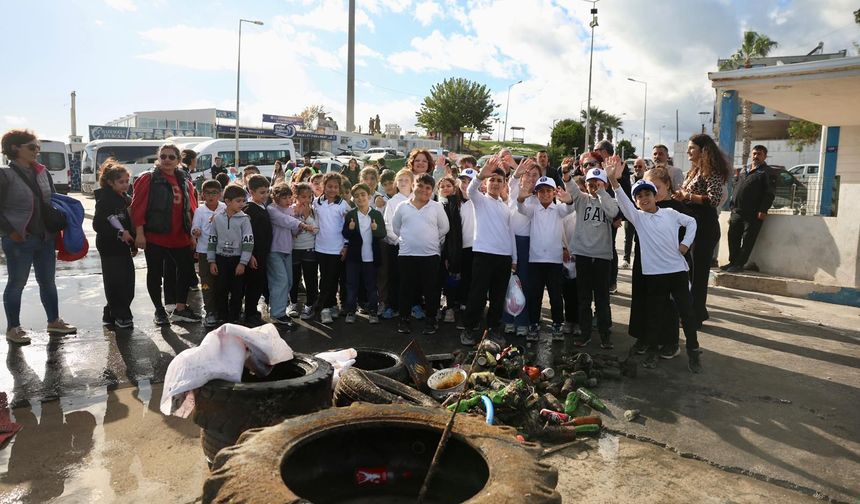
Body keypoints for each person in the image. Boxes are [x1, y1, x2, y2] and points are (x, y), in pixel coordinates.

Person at [606, 156, 702, 373]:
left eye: (648, 193)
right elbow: (622, 200)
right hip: (655, 276)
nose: (644, 198)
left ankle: (694, 352)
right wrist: (613, 181)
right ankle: (651, 353)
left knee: (687, 313)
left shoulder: (670, 213)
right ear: (636, 201)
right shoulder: (638, 218)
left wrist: (685, 244)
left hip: (678, 272)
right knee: (654, 316)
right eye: (639, 196)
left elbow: (692, 222)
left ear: (655, 195)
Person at [1, 129, 78, 344]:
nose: (37, 151)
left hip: (45, 237)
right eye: (32, 147)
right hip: (19, 239)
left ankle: (54, 321)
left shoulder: (42, 172)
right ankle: (13, 328)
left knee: (48, 282)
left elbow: (52, 201)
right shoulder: (4, 174)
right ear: (15, 148)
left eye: (38, 148)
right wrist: (11, 231)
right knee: (17, 284)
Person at [627, 167, 693, 360]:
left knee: (668, 305)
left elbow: (691, 227)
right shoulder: (641, 208)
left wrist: (683, 246)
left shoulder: (675, 209)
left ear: (667, 187)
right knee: (642, 299)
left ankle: (670, 342)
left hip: (669, 264)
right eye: (643, 189)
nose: (648, 193)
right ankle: (644, 338)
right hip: (644, 260)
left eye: (655, 187)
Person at [131, 142, 200, 326]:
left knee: (186, 271)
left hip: (181, 236)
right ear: (158, 158)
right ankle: (159, 310)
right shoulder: (148, 178)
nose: (167, 160)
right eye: (163, 156)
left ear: (178, 160)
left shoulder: (184, 179)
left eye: (171, 157)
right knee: (154, 274)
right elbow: (138, 207)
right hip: (156, 236)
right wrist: (139, 233)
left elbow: (192, 207)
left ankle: (180, 308)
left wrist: (193, 234)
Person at [460, 156, 517, 346]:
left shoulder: (506, 207)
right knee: (477, 294)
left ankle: (493, 329)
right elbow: (470, 190)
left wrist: (514, 258)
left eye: (499, 181)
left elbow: (510, 234)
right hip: (483, 255)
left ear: (503, 184)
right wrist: (479, 175)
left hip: (503, 258)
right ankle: (469, 328)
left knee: (498, 297)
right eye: (492, 180)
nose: (495, 183)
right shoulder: (480, 200)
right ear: (487, 182)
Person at [675, 134, 730, 327]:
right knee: (689, 272)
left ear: (703, 150)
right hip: (692, 225)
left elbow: (713, 199)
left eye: (692, 148)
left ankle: (695, 317)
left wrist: (687, 195)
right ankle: (693, 312)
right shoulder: (694, 170)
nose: (688, 151)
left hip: (704, 226)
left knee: (698, 275)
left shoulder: (711, 171)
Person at [561, 165, 618, 350]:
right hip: (584, 255)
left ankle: (605, 335)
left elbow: (612, 212)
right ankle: (585, 334)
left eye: (598, 183)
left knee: (602, 299)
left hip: (602, 257)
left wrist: (602, 192)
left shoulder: (610, 200)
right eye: (590, 183)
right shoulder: (581, 200)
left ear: (605, 185)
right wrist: (566, 175)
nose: (594, 186)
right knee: (584, 298)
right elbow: (572, 188)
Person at [516, 176, 575, 341]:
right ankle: (533, 325)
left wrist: (568, 199)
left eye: (549, 191)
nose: (545, 194)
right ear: (536, 193)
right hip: (536, 261)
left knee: (556, 296)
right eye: (541, 191)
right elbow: (520, 208)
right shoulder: (533, 209)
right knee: (535, 295)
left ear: (554, 193)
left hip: (555, 261)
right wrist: (521, 197)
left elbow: (571, 208)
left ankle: (557, 325)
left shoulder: (559, 209)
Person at [392, 173, 450, 335]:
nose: (424, 190)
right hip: (406, 254)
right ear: (413, 186)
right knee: (405, 289)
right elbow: (397, 228)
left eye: (428, 188)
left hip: (430, 256)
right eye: (420, 185)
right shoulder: (402, 206)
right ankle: (404, 319)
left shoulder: (437, 207)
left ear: (432, 191)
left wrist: (429, 239)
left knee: (431, 289)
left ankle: (431, 320)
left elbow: (444, 228)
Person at [92, 159, 137, 329]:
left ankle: (111, 312)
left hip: (123, 247)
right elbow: (98, 225)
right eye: (121, 182)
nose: (126, 185)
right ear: (110, 182)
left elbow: (129, 224)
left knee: (127, 283)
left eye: (127, 181)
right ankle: (121, 314)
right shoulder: (105, 200)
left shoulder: (125, 198)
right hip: (109, 247)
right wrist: (119, 233)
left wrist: (132, 244)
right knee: (115, 282)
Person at [504, 158, 541, 337]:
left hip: (528, 245)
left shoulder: (540, 196)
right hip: (508, 242)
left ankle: (522, 321)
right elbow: (512, 181)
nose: (531, 178)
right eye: (528, 174)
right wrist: (517, 172)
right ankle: (508, 319)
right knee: (508, 283)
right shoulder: (514, 190)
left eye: (535, 175)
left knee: (524, 284)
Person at [207, 185, 254, 324]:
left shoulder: (245, 219)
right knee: (220, 289)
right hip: (220, 259)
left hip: (237, 260)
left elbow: (248, 242)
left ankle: (234, 317)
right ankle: (221, 316)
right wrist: (212, 261)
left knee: (237, 291)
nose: (242, 204)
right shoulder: (217, 218)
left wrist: (243, 262)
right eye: (238, 201)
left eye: (243, 201)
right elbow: (212, 239)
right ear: (227, 201)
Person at [724, 144, 774, 273]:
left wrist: (763, 210)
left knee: (747, 240)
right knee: (733, 237)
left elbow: (769, 193)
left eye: (759, 154)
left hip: (753, 213)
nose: (756, 156)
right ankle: (732, 262)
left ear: (765, 156)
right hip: (737, 211)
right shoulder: (743, 170)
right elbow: (736, 188)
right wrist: (732, 206)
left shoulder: (766, 172)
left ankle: (739, 265)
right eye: (754, 153)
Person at [268, 183, 311, 327]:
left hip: (288, 250)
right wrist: (301, 224)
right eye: (284, 198)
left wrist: (300, 224)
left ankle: (276, 307)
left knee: (290, 281)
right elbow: (285, 221)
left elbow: (293, 230)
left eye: (289, 197)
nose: (287, 201)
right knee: (280, 281)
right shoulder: (272, 209)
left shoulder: (290, 211)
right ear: (275, 198)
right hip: (274, 250)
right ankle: (278, 313)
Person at [342, 183, 386, 325]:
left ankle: (373, 311)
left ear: (369, 196)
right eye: (356, 196)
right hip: (354, 258)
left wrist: (375, 229)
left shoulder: (376, 214)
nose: (360, 198)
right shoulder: (351, 215)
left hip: (371, 258)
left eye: (363, 195)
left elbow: (382, 234)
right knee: (351, 285)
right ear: (353, 199)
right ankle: (350, 311)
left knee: (371, 286)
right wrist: (350, 228)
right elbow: (345, 234)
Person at [313, 172, 351, 324]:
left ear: (339, 188)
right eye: (329, 186)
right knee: (324, 278)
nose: (332, 189)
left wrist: (346, 246)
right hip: (321, 247)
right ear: (323, 186)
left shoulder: (343, 205)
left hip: (337, 248)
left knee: (333, 278)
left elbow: (348, 227)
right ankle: (325, 308)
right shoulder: (316, 202)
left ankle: (331, 305)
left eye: (336, 187)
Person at [191, 180, 226, 327]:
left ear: (220, 194)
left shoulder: (224, 207)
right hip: (205, 251)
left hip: (223, 251)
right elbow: (194, 229)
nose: (211, 196)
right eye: (207, 193)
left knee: (222, 281)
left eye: (214, 193)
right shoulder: (200, 211)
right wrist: (196, 232)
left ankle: (223, 310)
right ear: (202, 195)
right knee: (206, 282)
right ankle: (210, 311)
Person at [381, 169, 414, 319]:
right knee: (395, 277)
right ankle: (392, 306)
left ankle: (414, 305)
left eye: (406, 180)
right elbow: (388, 224)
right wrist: (399, 241)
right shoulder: (392, 202)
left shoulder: (418, 199)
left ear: (412, 182)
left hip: (415, 248)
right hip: (396, 247)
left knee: (413, 278)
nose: (403, 183)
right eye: (400, 180)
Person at [242, 174, 273, 326]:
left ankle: (251, 311)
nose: (265, 195)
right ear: (251, 192)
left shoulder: (261, 207)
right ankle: (249, 313)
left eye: (267, 191)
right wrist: (251, 255)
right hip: (254, 255)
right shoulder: (249, 209)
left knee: (258, 283)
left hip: (262, 253)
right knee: (253, 285)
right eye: (262, 192)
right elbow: (247, 234)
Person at [287, 183, 319, 320]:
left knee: (310, 278)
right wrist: (297, 219)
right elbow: (288, 227)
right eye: (303, 197)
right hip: (293, 249)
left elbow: (316, 230)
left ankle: (310, 305)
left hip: (309, 249)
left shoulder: (313, 211)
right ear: (296, 196)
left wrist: (307, 217)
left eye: (309, 197)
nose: (306, 200)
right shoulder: (290, 210)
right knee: (293, 278)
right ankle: (293, 303)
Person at [622, 158, 647, 269]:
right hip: (630, 212)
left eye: (640, 166)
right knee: (628, 236)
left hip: (644, 213)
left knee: (642, 237)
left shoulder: (648, 179)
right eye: (635, 166)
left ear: (645, 167)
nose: (637, 168)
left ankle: (642, 258)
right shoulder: (629, 178)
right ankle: (626, 259)